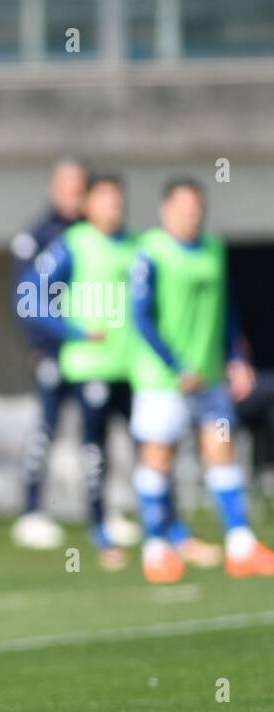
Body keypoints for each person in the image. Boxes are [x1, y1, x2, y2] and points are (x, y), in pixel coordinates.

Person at [129, 178, 274, 582]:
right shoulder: (150, 251)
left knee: (221, 450)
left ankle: (240, 544)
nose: (191, 216)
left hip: (209, 379)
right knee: (158, 459)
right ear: (165, 211)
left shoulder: (212, 247)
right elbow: (140, 317)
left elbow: (224, 308)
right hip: (163, 381)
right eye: (183, 209)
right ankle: (156, 547)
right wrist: (176, 367)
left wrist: (235, 357)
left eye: (197, 209)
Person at [17, 174, 136, 569]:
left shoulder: (136, 245)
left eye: (119, 201)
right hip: (84, 365)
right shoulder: (64, 242)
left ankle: (152, 527)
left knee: (142, 445)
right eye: (106, 201)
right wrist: (72, 332)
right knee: (76, 440)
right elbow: (28, 295)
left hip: (132, 366)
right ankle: (50, 515)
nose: (114, 209)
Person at [10, 159, 91, 549]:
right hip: (55, 352)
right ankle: (31, 511)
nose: (76, 193)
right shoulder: (38, 237)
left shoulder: (95, 234)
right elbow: (26, 296)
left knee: (97, 431)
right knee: (46, 428)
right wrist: (38, 346)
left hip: (96, 355)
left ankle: (101, 512)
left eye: (82, 185)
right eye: (69, 185)